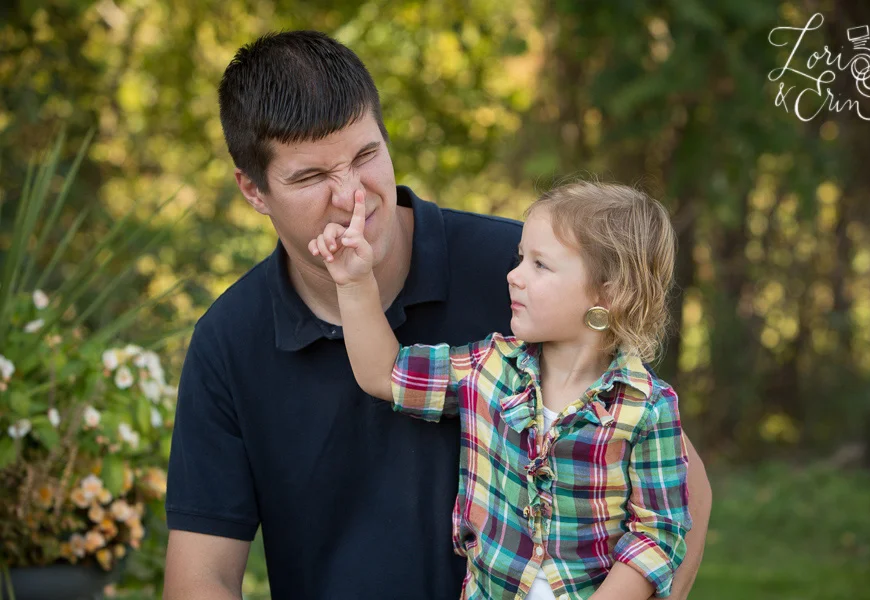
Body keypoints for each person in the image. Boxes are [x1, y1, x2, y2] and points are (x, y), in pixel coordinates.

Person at [163, 30, 711, 600]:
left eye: (365, 155)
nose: (354, 196)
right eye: (311, 177)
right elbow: (202, 575)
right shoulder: (228, 341)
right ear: (253, 190)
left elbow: (679, 489)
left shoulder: (527, 278)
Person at [310, 181, 690, 600]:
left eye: (540, 265)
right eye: (520, 258)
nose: (514, 275)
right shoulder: (488, 369)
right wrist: (353, 283)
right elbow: (386, 374)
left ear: (609, 293)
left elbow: (659, 532)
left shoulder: (647, 407)